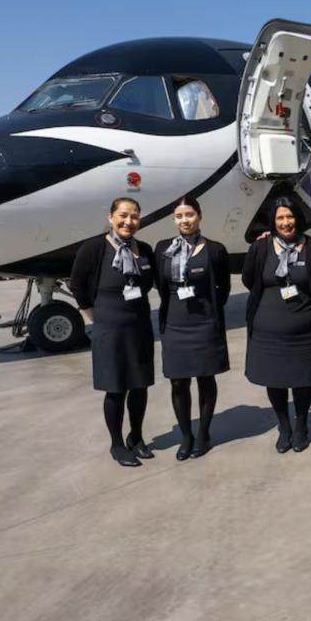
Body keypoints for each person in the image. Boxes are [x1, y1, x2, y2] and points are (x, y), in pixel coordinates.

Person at [243, 197, 311, 453]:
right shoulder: (260, 248)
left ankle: (302, 425)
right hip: (268, 330)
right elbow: (249, 279)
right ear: (273, 221)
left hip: (305, 330)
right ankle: (284, 427)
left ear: (299, 218)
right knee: (275, 380)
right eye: (280, 218)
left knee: (303, 380)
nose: (286, 222)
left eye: (290, 216)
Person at [70, 197, 156, 468]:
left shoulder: (144, 249)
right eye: (123, 215)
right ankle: (117, 444)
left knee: (140, 386)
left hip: (139, 323)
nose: (128, 221)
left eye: (134, 216)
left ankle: (137, 436)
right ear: (110, 217)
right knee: (116, 388)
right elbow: (77, 285)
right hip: (109, 325)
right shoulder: (94, 247)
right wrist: (93, 316)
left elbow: (149, 281)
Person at [154, 196, 231, 461]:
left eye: (189, 215)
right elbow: (160, 284)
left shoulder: (214, 249)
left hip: (204, 324)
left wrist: (210, 312)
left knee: (205, 378)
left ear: (199, 216)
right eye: (179, 216)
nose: (184, 220)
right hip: (175, 324)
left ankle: (203, 433)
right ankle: (186, 436)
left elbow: (223, 288)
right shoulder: (163, 249)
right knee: (178, 382)